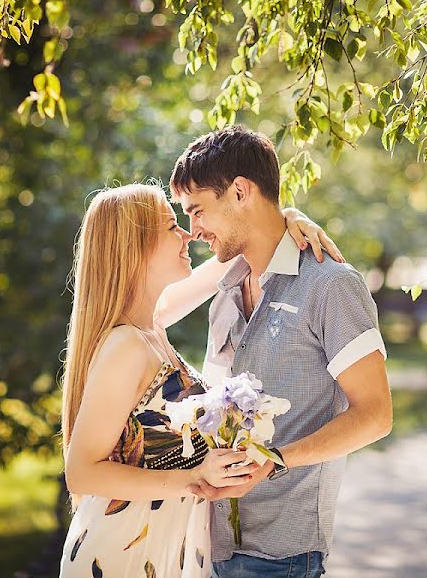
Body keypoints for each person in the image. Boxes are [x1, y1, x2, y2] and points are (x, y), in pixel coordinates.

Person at [58, 183, 338, 577]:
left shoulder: (151, 329)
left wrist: (285, 219)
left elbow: (235, 253)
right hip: (124, 555)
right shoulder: (126, 345)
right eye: (173, 226)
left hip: (162, 549)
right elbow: (82, 472)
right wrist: (192, 478)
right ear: (134, 245)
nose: (188, 234)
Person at [169, 126, 394, 578]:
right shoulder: (225, 292)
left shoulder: (331, 284)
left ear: (239, 191)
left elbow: (376, 415)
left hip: (284, 557)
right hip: (213, 547)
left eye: (197, 212)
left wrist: (274, 462)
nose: (194, 232)